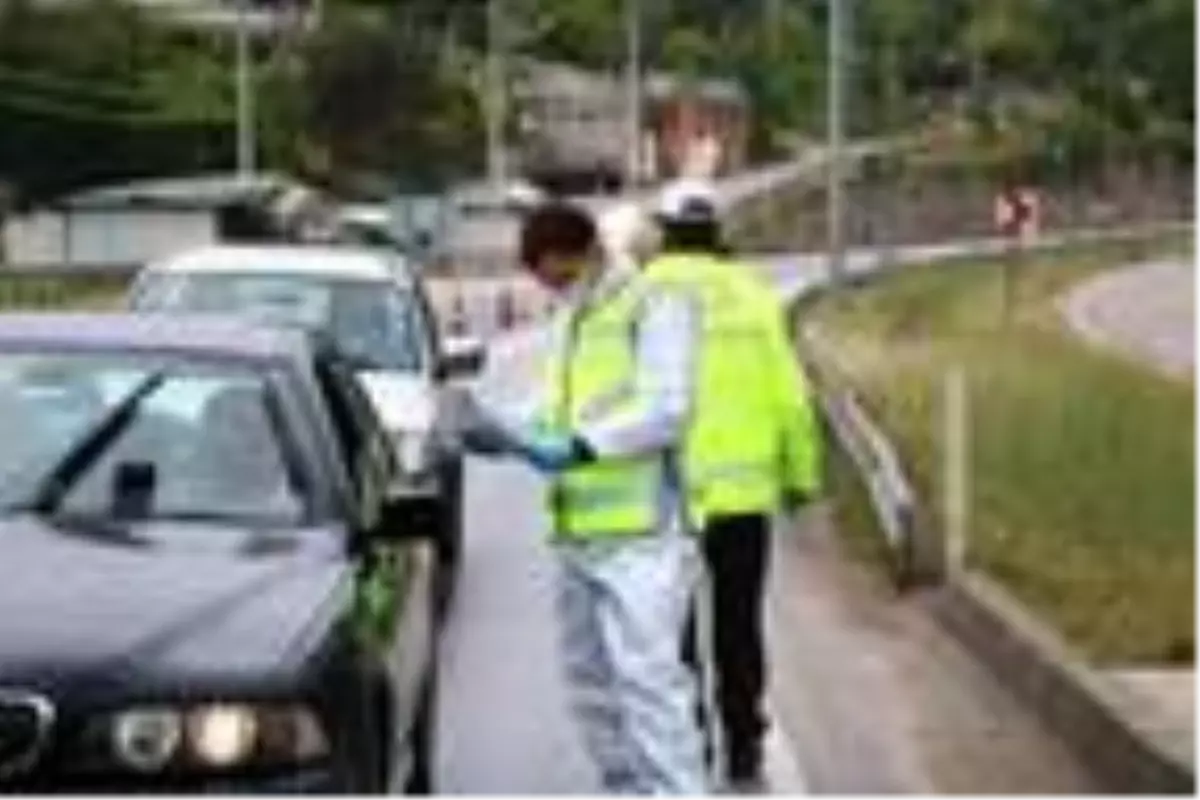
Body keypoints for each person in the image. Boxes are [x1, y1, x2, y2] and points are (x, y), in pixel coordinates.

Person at [457, 201, 710, 799]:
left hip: (642, 536)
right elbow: (554, 415)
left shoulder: (652, 304)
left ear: (589, 252)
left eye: (560, 276)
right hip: (578, 536)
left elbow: (667, 409)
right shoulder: (573, 318)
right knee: (591, 688)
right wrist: (498, 432)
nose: (554, 289)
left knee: (651, 690)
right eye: (545, 282)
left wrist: (584, 447)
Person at [644, 179, 822, 786]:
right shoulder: (753, 295)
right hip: (744, 498)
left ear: (663, 232)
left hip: (665, 500)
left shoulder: (641, 296)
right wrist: (800, 477)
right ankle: (744, 743)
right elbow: (792, 399)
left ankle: (688, 741)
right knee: (739, 625)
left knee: (673, 631)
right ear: (719, 231)